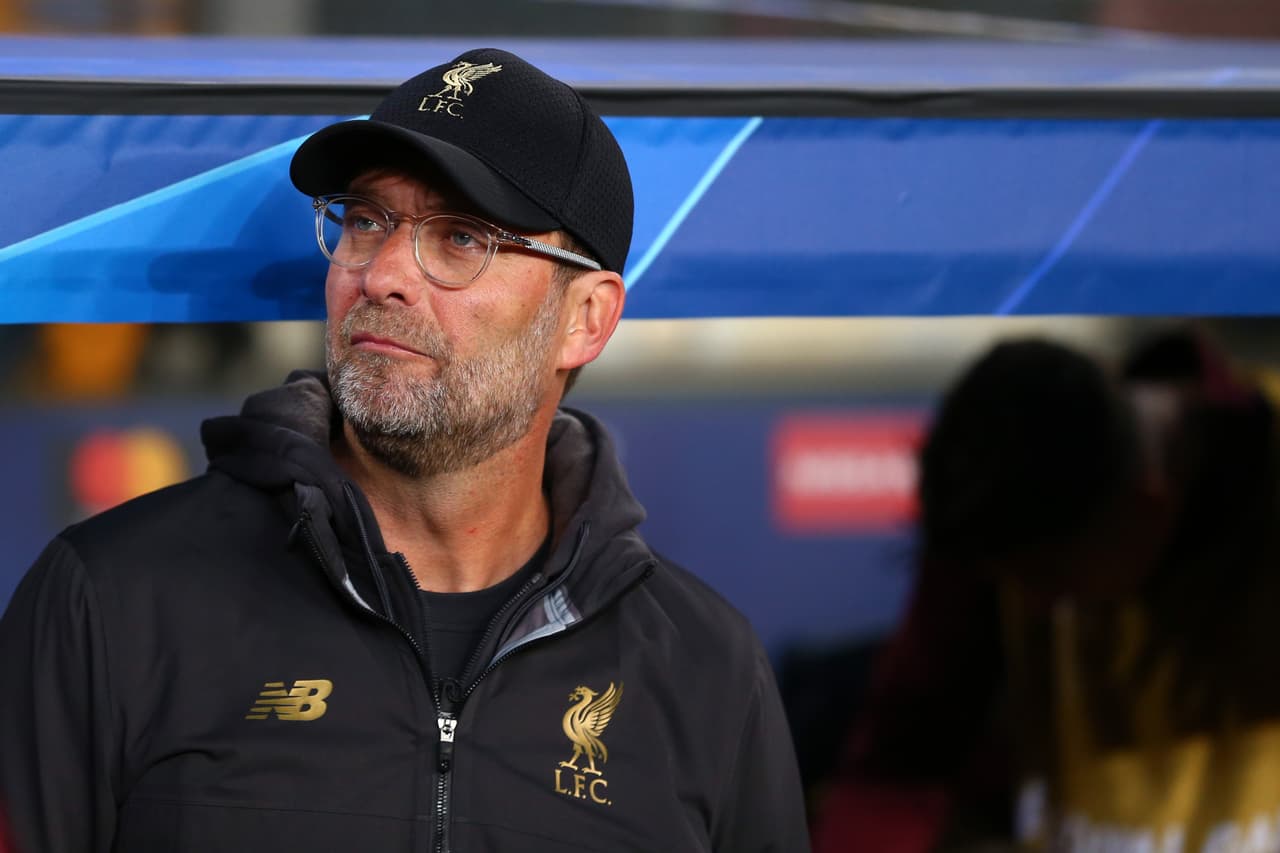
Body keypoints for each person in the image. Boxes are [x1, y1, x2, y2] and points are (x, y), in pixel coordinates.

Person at [0, 47, 809, 853]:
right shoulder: (110, 601)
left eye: (461, 238)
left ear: (586, 319)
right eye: (365, 220)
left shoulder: (706, 669)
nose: (382, 273)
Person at [811, 328, 1280, 853]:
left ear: (1148, 504)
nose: (1034, 605)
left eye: (1051, 577)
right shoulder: (1009, 498)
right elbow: (897, 760)